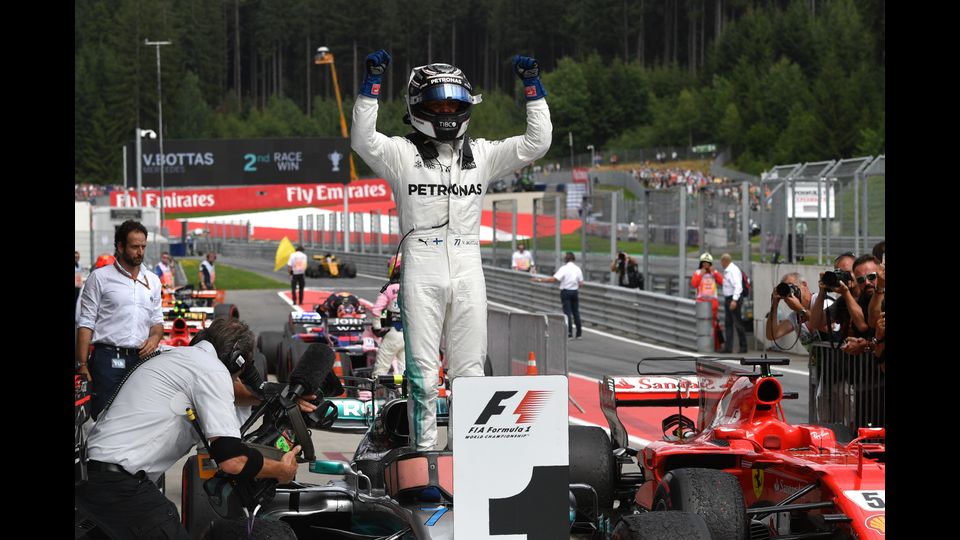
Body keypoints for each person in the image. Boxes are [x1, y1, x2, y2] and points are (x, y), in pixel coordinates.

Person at [351, 50, 551, 451]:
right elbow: (362, 139)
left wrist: (534, 90)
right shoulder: (400, 154)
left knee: (469, 372)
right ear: (418, 107)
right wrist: (371, 86)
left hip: (467, 265)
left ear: (465, 107)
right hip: (421, 267)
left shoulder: (483, 154)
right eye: (437, 103)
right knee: (423, 373)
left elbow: (537, 143)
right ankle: (424, 454)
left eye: (453, 103)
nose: (446, 110)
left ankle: (466, 452)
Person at [75, 318, 302, 539]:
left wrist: (282, 393)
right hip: (120, 485)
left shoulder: (175, 357)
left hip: (93, 478)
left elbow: (238, 395)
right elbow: (232, 459)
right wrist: (280, 470)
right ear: (237, 360)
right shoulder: (213, 370)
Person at [77, 220, 164, 420]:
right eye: (135, 247)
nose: (140, 252)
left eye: (143, 246)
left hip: (141, 360)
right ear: (120, 246)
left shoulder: (153, 280)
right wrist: (81, 364)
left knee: (138, 418)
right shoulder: (99, 277)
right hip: (107, 360)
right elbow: (86, 323)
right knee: (104, 419)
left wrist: (154, 339)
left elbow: (157, 322)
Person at [533, 252, 583, 339]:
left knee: (567, 313)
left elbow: (554, 279)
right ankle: (579, 334)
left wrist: (540, 280)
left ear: (565, 260)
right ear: (574, 259)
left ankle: (569, 333)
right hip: (574, 291)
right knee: (576, 312)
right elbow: (581, 283)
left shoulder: (564, 268)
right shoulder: (577, 269)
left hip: (566, 291)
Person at [371, 255, 405, 377]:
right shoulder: (416, 289)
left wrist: (376, 327)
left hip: (393, 333)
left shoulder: (389, 289)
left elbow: (376, 310)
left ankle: (376, 393)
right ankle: (403, 394)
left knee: (380, 369)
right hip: (411, 335)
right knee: (404, 370)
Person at [764, 272, 815, 350]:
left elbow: (827, 325)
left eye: (792, 286)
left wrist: (801, 309)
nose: (790, 293)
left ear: (804, 285)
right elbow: (772, 335)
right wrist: (775, 304)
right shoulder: (795, 317)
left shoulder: (820, 301)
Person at [690, 252, 724, 351]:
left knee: (714, 324)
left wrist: (715, 273)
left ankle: (715, 345)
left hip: (713, 302)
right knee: (701, 323)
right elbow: (694, 284)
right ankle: (701, 344)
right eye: (704, 262)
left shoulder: (714, 272)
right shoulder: (697, 273)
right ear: (701, 263)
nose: (706, 265)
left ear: (711, 264)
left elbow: (723, 282)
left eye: (708, 263)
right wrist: (701, 274)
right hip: (701, 302)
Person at [719, 253, 748, 353]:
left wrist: (734, 300)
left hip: (733, 299)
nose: (721, 264)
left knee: (738, 323)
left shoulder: (733, 270)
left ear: (725, 261)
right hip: (729, 298)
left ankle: (743, 346)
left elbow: (738, 286)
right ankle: (728, 347)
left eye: (721, 262)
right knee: (728, 323)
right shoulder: (728, 271)